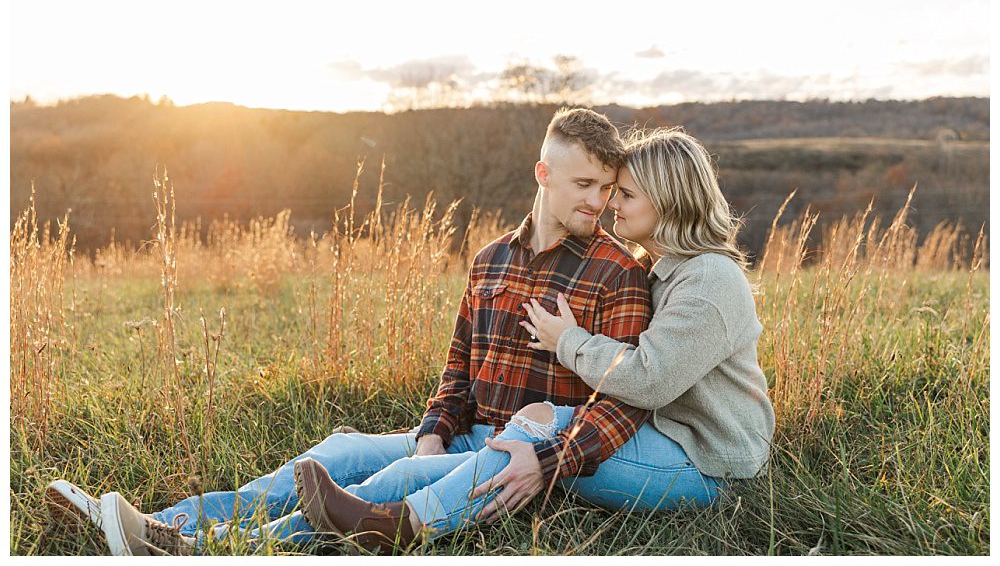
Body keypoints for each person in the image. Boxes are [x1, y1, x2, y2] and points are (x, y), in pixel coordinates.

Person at [44, 107, 653, 555]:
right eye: (583, 185)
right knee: (336, 450)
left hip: (515, 455)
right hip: (463, 436)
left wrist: (544, 458)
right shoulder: (490, 257)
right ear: (543, 174)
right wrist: (435, 432)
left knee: (380, 482)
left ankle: (210, 548)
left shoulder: (619, 273)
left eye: (606, 188)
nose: (598, 202)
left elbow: (624, 394)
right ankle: (153, 523)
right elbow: (458, 367)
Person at [293, 126, 775, 551]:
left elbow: (648, 380)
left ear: (668, 199)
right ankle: (346, 510)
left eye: (624, 194)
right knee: (523, 430)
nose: (610, 205)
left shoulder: (710, 278)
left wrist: (569, 340)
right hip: (664, 440)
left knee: (531, 434)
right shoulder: (663, 272)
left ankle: (405, 525)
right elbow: (460, 362)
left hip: (707, 467)